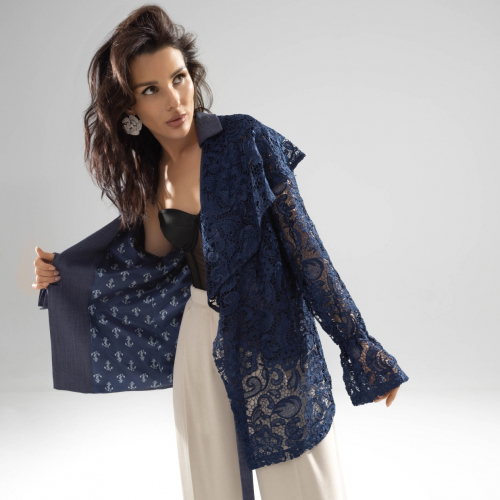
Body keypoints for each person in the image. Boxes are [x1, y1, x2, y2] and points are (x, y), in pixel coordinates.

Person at [32, 5, 408, 500]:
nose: (175, 99)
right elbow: (146, 259)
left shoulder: (246, 140)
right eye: (151, 90)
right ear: (130, 110)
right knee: (210, 480)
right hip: (199, 334)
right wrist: (62, 272)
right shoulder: (152, 177)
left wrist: (359, 345)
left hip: (273, 331)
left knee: (302, 482)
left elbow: (309, 255)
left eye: (179, 78)